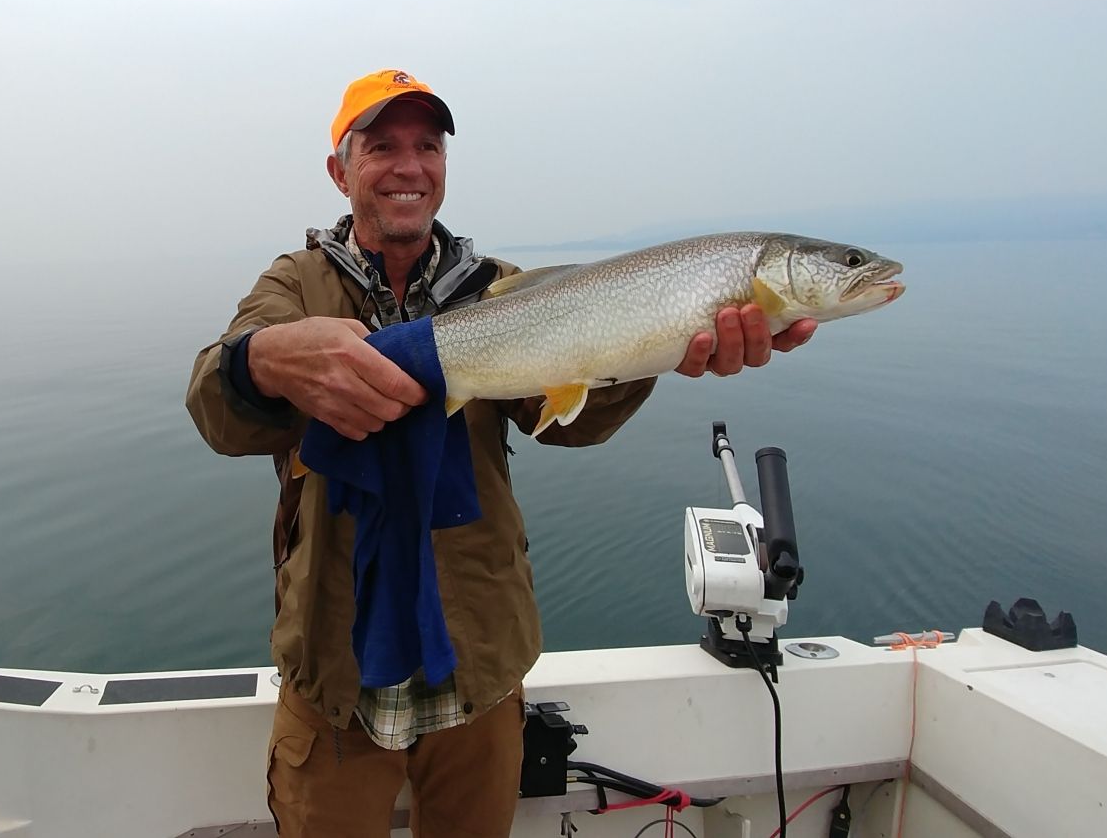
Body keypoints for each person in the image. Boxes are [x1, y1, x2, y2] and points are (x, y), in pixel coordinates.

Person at [184, 69, 816, 837]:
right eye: (381, 145)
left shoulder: (499, 290)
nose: (409, 165)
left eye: (428, 145)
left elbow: (567, 422)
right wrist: (261, 362)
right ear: (339, 170)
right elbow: (217, 408)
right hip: (334, 674)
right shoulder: (295, 284)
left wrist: (657, 351)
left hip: (477, 669)